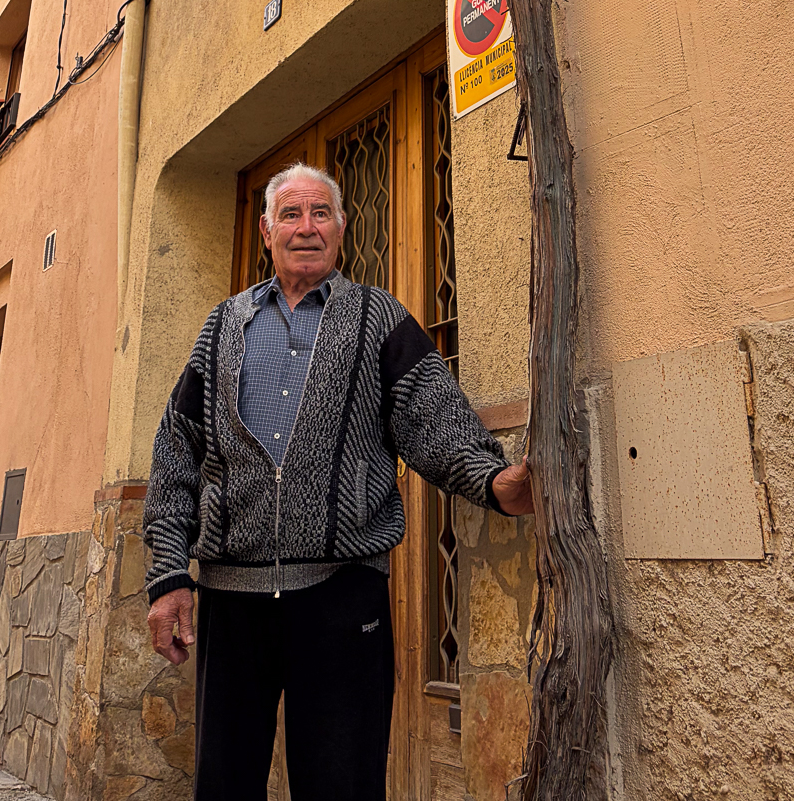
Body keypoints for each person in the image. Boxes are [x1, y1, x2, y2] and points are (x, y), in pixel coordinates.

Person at [144, 161, 533, 801]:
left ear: (342, 228)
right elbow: (177, 451)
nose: (306, 228)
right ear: (267, 230)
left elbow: (433, 420)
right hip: (231, 601)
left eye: (320, 213)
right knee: (223, 783)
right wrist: (166, 577)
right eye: (291, 215)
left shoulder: (379, 319)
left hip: (340, 596)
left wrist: (493, 482)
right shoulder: (222, 327)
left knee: (342, 785)